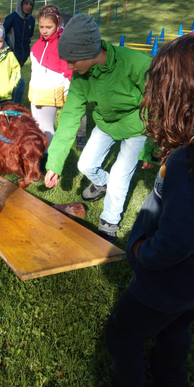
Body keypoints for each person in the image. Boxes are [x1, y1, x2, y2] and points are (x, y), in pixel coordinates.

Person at [88, 33, 194, 387]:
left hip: (163, 283)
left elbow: (176, 241)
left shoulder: (186, 164)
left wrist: (139, 252)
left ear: (179, 99)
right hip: (187, 287)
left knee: (121, 337)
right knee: (174, 332)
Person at [44, 14, 154, 242]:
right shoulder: (81, 78)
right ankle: (101, 183)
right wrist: (54, 163)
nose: (69, 66)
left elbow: (160, 103)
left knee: (120, 176)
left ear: (89, 51)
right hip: (105, 123)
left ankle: (109, 221)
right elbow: (69, 120)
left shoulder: (134, 63)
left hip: (137, 127)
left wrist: (151, 146)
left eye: (73, 60)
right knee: (85, 165)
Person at [28, 5, 73, 155]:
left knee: (47, 128)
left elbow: (68, 71)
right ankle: (40, 155)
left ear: (57, 24)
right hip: (35, 94)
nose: (44, 30)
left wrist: (67, 91)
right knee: (36, 127)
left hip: (51, 94)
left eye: (49, 27)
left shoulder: (61, 45)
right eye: (41, 27)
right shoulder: (37, 45)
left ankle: (50, 160)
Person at [3, 0, 35, 103]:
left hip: (21, 59)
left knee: (15, 84)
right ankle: (14, 107)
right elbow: (1, 36)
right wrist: (8, 50)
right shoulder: (11, 18)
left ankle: (11, 107)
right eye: (26, 3)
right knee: (19, 83)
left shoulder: (31, 20)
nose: (28, 7)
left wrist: (26, 52)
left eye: (30, 4)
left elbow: (28, 38)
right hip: (10, 58)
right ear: (20, 2)